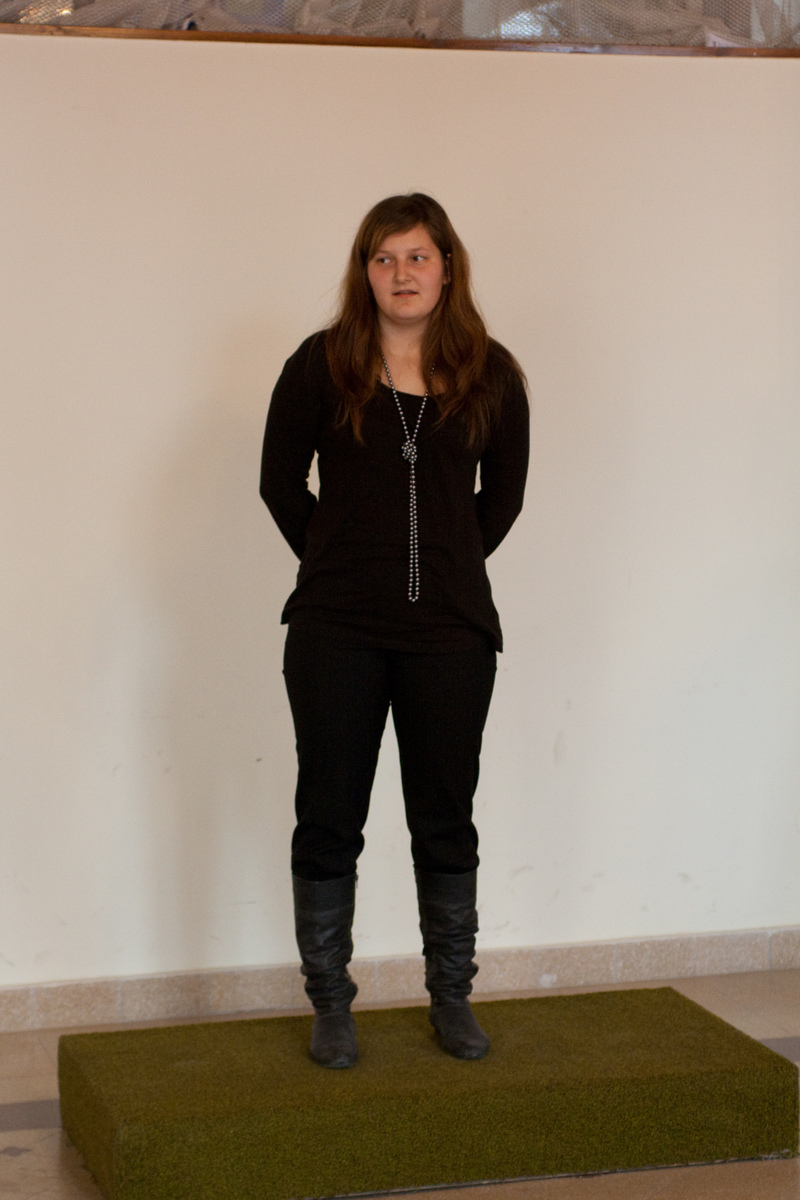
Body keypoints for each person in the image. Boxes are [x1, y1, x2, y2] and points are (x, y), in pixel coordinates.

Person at [260, 193, 529, 1070]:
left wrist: (444, 566)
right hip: (335, 632)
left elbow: (502, 500)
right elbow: (278, 483)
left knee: (445, 819)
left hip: (451, 635)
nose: (401, 273)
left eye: (417, 256)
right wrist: (339, 561)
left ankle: (451, 997)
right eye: (384, 258)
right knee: (328, 815)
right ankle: (331, 1005)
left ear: (447, 267)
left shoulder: (492, 374)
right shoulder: (321, 364)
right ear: (364, 272)